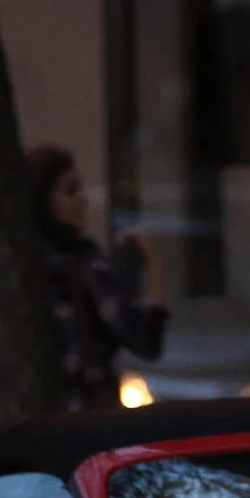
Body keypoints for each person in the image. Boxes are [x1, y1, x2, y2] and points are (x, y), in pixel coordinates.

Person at [28, 144, 168, 411]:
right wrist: (152, 265)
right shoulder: (80, 264)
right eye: (70, 191)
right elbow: (146, 339)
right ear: (43, 201)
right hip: (87, 414)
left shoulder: (31, 262)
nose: (83, 200)